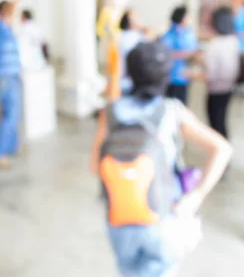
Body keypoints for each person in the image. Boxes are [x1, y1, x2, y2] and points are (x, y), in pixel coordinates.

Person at [89, 41, 232, 277]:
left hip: (119, 216)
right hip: (163, 216)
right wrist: (195, 196)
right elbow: (222, 149)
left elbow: (96, 166)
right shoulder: (173, 112)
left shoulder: (111, 111)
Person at [0, 0, 22, 168]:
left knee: (14, 113)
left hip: (13, 75)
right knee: (9, 114)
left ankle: (10, 145)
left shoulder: (8, 28)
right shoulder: (0, 27)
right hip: (6, 77)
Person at [202, 7, 240, 139]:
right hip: (229, 88)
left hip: (215, 90)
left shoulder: (214, 45)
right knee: (222, 121)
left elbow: (210, 74)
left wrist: (188, 74)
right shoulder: (233, 41)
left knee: (216, 124)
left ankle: (220, 152)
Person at [162, 6, 199, 105]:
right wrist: (186, 54)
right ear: (183, 18)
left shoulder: (189, 33)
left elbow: (194, 51)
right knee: (170, 106)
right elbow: (166, 53)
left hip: (184, 77)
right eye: (188, 17)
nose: (190, 19)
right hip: (171, 77)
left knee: (182, 106)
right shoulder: (169, 35)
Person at [118, 10, 146, 95]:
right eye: (136, 18)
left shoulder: (121, 37)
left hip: (125, 82)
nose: (139, 20)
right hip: (130, 82)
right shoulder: (134, 38)